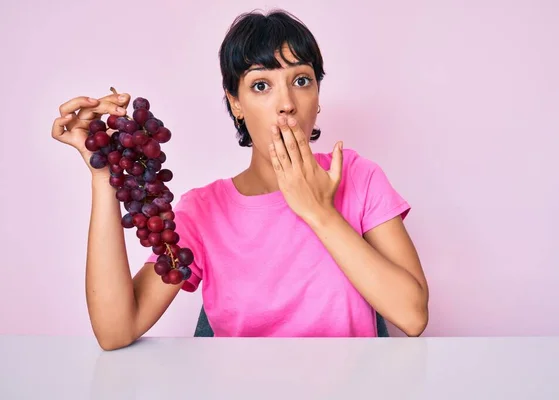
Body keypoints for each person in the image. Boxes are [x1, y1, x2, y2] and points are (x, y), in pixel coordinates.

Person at [51, 9, 429, 350]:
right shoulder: (204, 211)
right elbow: (116, 331)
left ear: (317, 96)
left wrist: (319, 212)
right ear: (235, 103)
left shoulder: (358, 176)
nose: (286, 103)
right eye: (261, 85)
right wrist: (104, 175)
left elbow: (412, 317)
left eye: (301, 80)